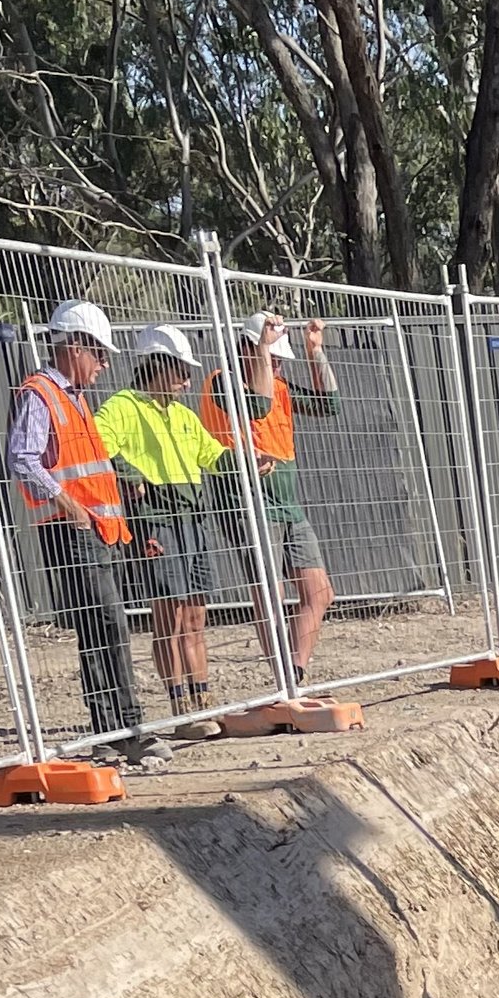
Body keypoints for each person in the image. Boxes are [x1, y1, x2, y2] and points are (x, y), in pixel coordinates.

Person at [4, 298, 165, 764]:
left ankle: (112, 731)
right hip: (71, 529)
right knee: (107, 623)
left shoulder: (73, 399)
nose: (104, 364)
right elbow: (22, 458)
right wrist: (66, 502)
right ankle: (126, 727)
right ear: (74, 347)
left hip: (96, 531)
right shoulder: (41, 394)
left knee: (100, 627)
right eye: (100, 353)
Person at [95, 325, 226, 732]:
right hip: (156, 521)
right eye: (180, 371)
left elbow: (213, 454)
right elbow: (98, 443)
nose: (187, 381)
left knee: (195, 615)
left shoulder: (184, 415)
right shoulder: (120, 407)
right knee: (168, 615)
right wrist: (127, 472)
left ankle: (202, 699)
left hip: (192, 519)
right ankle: (180, 709)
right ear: (157, 365)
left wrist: (245, 461)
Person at [203, 310, 337, 680]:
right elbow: (257, 405)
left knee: (320, 591)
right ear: (249, 347)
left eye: (280, 359)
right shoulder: (221, 382)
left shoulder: (281, 387)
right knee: (270, 592)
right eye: (272, 357)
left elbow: (330, 405)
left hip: (287, 504)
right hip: (247, 503)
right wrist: (262, 349)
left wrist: (314, 352)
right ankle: (282, 678)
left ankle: (294, 672)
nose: (277, 366)